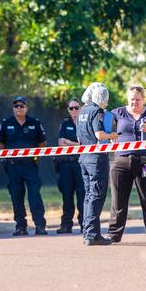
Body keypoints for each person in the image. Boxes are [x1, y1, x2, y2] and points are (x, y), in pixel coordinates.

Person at [107, 84, 146, 243]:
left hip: (145, 162)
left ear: (143, 99)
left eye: (137, 99)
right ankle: (113, 234)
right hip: (121, 161)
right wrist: (109, 132)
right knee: (118, 200)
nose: (134, 103)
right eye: (131, 99)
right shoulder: (118, 112)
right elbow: (106, 120)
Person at [0, 97, 48, 236]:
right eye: (16, 106)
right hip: (13, 166)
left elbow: (42, 143)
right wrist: (6, 159)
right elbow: (0, 144)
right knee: (16, 196)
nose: (19, 108)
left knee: (35, 195)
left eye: (21, 106)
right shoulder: (6, 123)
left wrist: (36, 157)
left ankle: (40, 226)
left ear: (26, 108)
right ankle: (20, 226)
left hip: (30, 165)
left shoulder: (35, 123)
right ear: (13, 108)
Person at [77, 83, 119, 246]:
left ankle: (88, 232)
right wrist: (112, 134)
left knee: (88, 195)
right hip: (96, 158)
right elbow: (99, 134)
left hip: (84, 157)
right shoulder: (97, 112)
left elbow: (80, 137)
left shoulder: (82, 111)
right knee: (97, 195)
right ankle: (93, 235)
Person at [54, 98, 85, 234]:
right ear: (68, 110)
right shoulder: (65, 124)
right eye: (71, 108)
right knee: (67, 195)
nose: (74, 110)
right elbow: (61, 142)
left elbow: (86, 143)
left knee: (82, 195)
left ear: (81, 108)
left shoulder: (85, 123)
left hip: (81, 163)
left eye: (76, 108)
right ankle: (66, 224)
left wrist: (70, 142)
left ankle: (85, 224)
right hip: (66, 164)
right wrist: (76, 144)